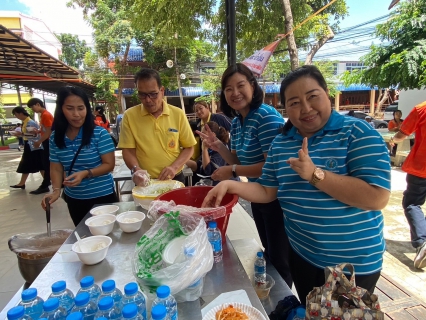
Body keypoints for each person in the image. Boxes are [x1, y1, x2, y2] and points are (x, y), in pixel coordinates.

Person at [202, 65, 391, 304]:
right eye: (294, 102)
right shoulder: (282, 142)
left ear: (326, 93)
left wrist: (314, 174)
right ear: (286, 107)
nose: (306, 108)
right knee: (310, 310)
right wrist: (230, 186)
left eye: (312, 97)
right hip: (302, 254)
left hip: (350, 265)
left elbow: (376, 198)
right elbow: (267, 190)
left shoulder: (357, 133)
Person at [198, 63, 292, 287]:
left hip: (277, 198)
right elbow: (239, 161)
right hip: (257, 196)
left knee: (281, 261)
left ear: (253, 86)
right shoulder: (239, 122)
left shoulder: (265, 116)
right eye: (228, 89)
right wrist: (218, 146)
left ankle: (284, 305)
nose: (235, 93)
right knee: (269, 253)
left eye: (240, 85)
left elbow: (272, 165)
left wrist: (231, 172)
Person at [41, 86, 117, 226]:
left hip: (103, 196)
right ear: (61, 109)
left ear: (87, 109)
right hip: (75, 199)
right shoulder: (55, 138)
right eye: (70, 108)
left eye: (80, 108)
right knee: (84, 237)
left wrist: (86, 173)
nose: (76, 114)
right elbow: (56, 168)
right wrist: (56, 191)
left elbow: (109, 165)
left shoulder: (99, 134)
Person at [117, 68, 196, 185]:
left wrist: (174, 167)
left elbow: (189, 147)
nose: (148, 100)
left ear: (162, 91)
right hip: (145, 181)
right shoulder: (130, 115)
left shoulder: (177, 114)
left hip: (174, 177)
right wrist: (135, 169)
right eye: (142, 95)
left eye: (153, 94)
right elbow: (128, 150)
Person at [390, 101, 426, 269]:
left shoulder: (421, 109)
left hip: (421, 167)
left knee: (412, 202)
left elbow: (403, 133)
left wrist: (393, 140)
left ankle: (422, 242)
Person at [186, 121, 236, 186]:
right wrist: (182, 160)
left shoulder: (220, 149)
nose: (201, 136)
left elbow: (208, 171)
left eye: (203, 133)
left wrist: (204, 149)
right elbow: (198, 166)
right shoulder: (210, 148)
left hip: (219, 185)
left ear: (213, 135)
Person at [9, 107, 44, 190]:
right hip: (29, 145)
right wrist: (21, 134)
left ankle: (46, 182)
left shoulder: (30, 122)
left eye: (16, 114)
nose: (16, 116)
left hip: (33, 146)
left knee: (37, 164)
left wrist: (21, 134)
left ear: (21, 113)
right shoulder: (25, 122)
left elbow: (34, 135)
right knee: (28, 164)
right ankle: (22, 183)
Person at [28, 98, 54, 194]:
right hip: (46, 141)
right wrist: (38, 131)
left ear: (38, 104)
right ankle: (46, 184)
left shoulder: (46, 115)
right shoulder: (43, 115)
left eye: (32, 107)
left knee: (47, 164)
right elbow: (45, 130)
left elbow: (49, 132)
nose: (32, 109)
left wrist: (39, 141)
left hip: (48, 142)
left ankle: (45, 185)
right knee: (47, 164)